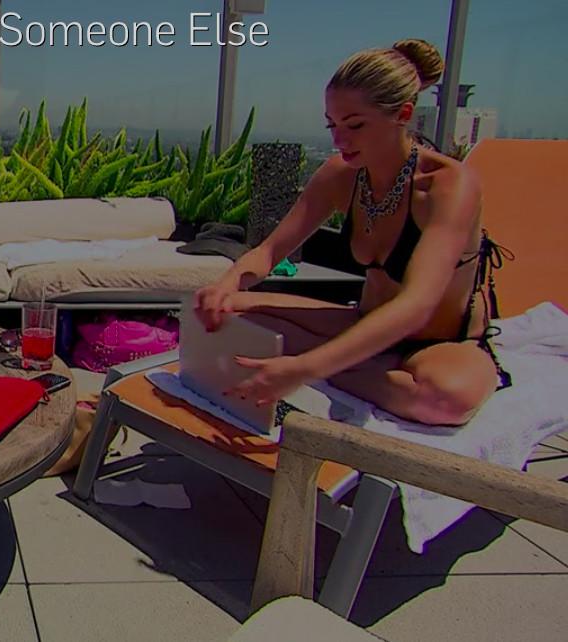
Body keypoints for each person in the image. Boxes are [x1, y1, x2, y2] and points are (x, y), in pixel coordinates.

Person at [193, 39, 509, 427]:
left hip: (437, 343)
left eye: (356, 125)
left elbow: (417, 304)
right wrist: (225, 285)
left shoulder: (447, 186)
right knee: (225, 313)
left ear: (403, 114)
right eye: (333, 125)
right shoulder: (340, 176)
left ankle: (326, 362)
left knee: (444, 401)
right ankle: (352, 363)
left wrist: (304, 368)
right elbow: (270, 251)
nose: (339, 140)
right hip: (362, 321)